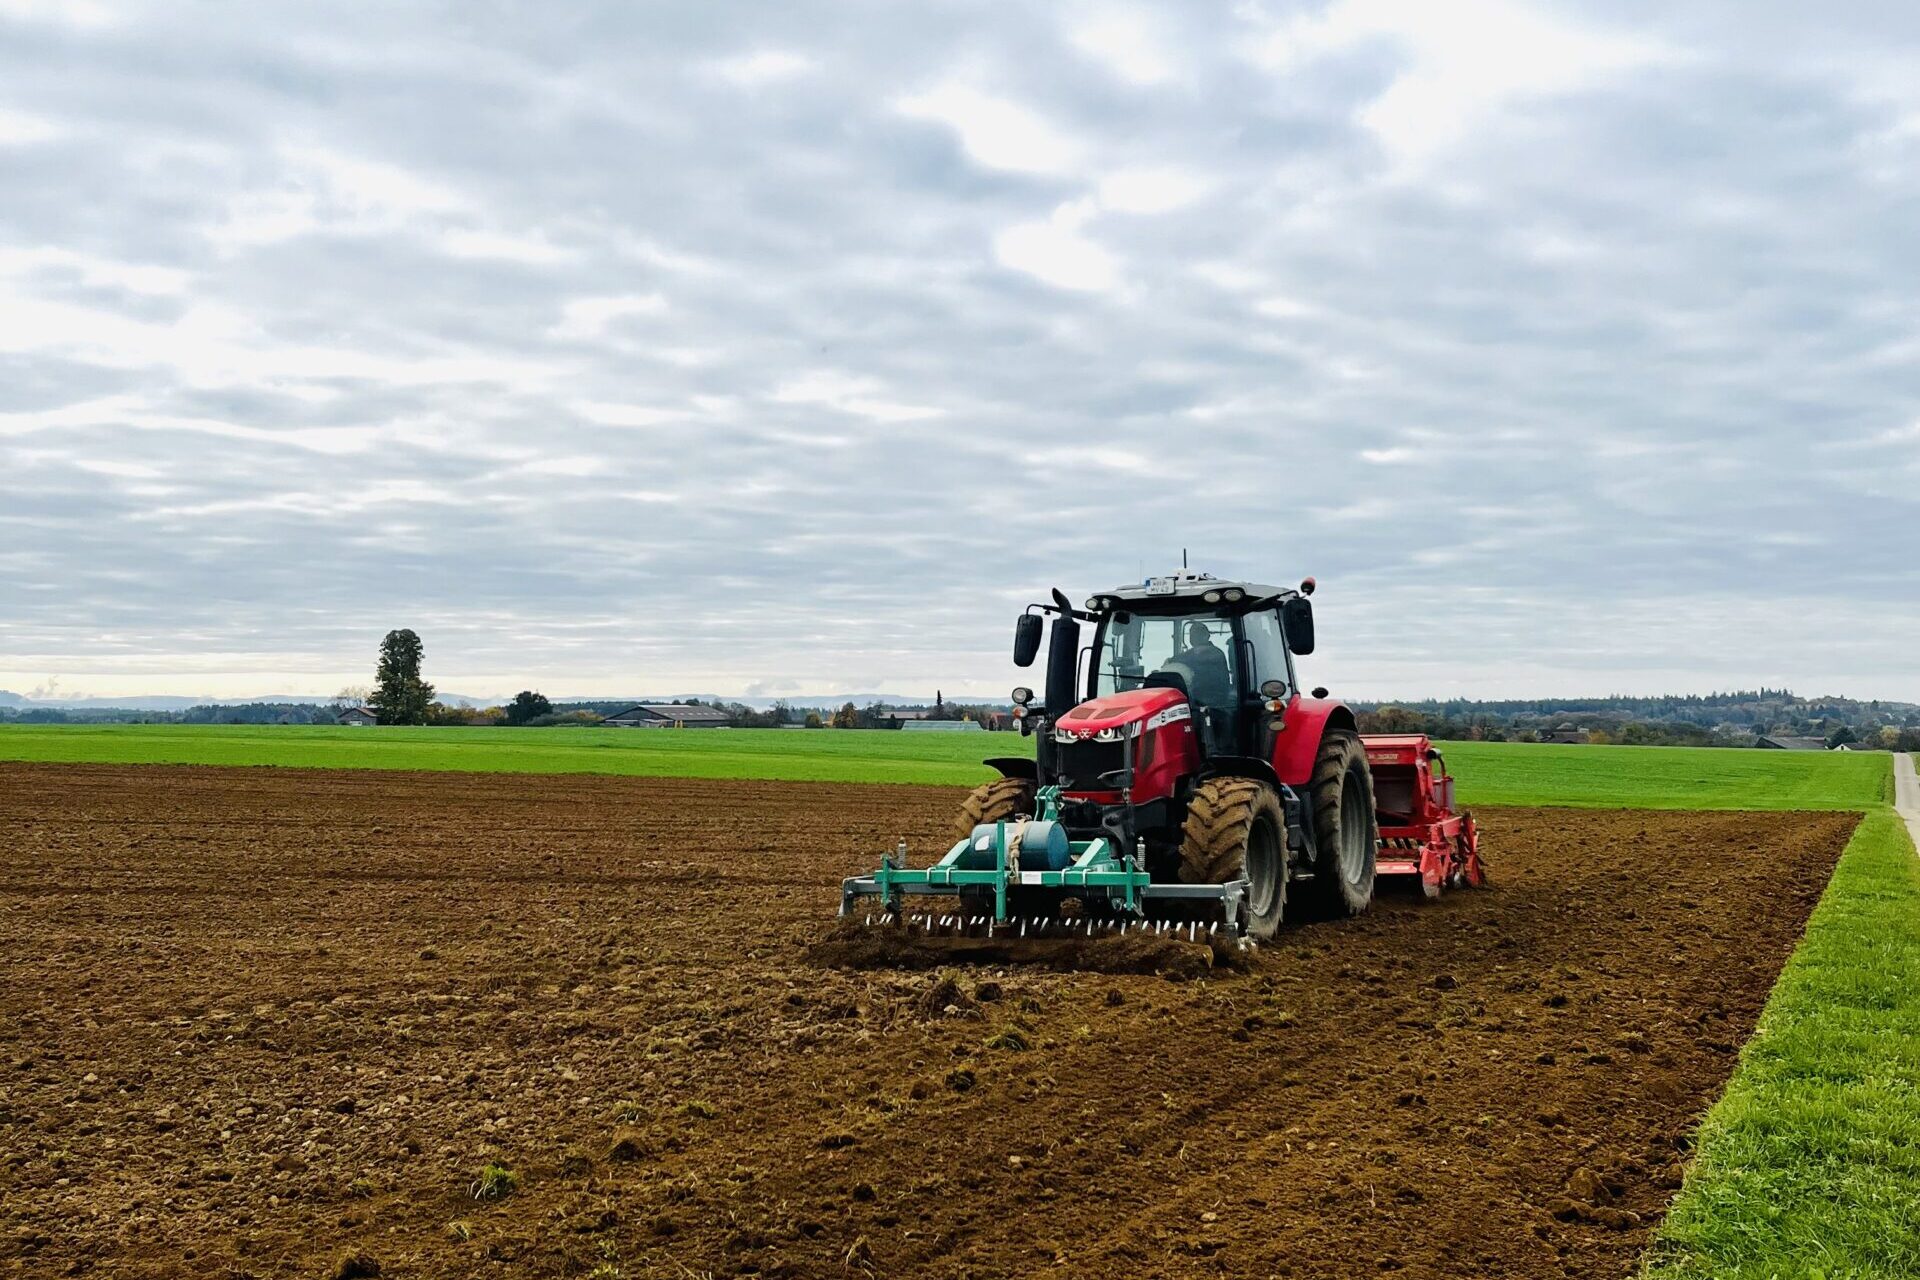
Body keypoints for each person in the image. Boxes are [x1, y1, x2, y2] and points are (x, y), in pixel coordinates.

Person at [1177, 621, 1232, 709]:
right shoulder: (1191, 654)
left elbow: (1193, 658)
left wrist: (1171, 661)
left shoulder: (1215, 654)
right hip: (1195, 701)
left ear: (1207, 636)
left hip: (1214, 704)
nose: (1194, 637)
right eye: (1192, 635)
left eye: (1197, 634)